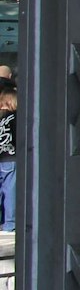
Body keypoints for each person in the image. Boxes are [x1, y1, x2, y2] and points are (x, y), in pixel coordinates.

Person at [0, 77, 17, 232]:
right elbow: (17, 137)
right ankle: (10, 223)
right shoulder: (14, 117)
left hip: (1, 156)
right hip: (11, 157)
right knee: (10, 190)